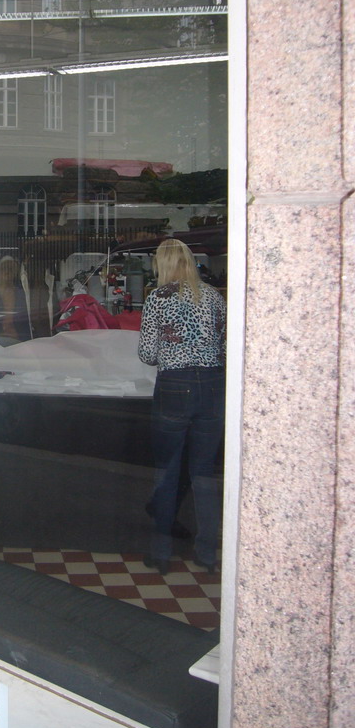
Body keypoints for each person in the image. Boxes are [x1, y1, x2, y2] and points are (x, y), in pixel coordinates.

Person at [138, 239, 226, 575]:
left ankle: (161, 554)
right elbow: (225, 348)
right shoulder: (215, 297)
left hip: (175, 385)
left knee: (168, 469)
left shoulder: (159, 298)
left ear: (163, 265)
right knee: (203, 473)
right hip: (213, 385)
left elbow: (148, 354)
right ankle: (207, 553)